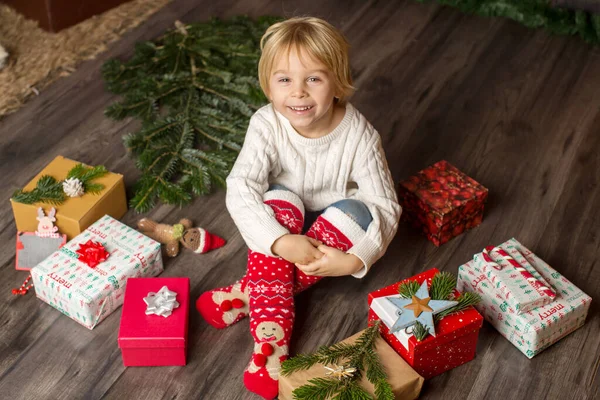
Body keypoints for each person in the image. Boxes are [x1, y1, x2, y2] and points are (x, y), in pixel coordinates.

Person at [196, 16, 401, 400]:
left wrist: (357, 259)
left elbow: (386, 206)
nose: (299, 93)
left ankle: (250, 292)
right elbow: (241, 187)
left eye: (314, 79)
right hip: (283, 216)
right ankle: (269, 349)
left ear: (338, 83)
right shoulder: (266, 123)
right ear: (268, 86)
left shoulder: (360, 135)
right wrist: (278, 241)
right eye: (284, 79)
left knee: (361, 210)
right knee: (278, 198)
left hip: (332, 226)